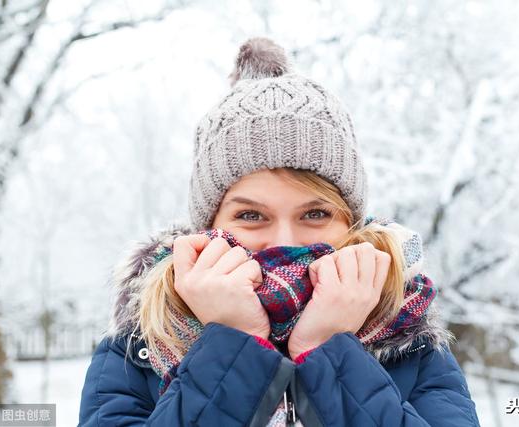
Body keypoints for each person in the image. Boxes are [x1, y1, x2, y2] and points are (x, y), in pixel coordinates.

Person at [78, 37, 481, 427]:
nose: (285, 243)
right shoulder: (139, 348)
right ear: (209, 229)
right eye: (252, 216)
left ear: (352, 225)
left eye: (316, 213)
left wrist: (328, 348)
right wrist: (235, 343)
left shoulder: (408, 341)